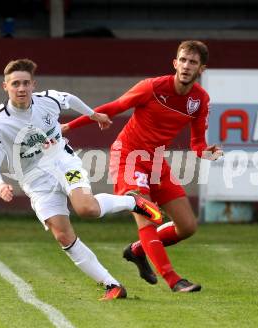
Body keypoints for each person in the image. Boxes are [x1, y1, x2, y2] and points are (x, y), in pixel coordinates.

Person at [0, 58, 162, 301]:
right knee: (63, 235)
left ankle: (133, 203)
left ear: (33, 84)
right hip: (34, 180)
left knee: (86, 208)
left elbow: (69, 98)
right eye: (15, 84)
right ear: (6, 87)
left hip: (62, 161)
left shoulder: (47, 100)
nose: (21, 88)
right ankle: (112, 285)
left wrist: (94, 114)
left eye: (26, 83)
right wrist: (0, 184)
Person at [63, 40, 223, 293]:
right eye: (182, 60)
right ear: (175, 63)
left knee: (188, 227)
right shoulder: (152, 86)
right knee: (149, 218)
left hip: (157, 161)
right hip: (129, 155)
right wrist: (70, 126)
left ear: (201, 69)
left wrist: (207, 152)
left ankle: (137, 250)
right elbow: (114, 107)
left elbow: (197, 144)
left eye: (192, 62)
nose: (186, 66)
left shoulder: (200, 100)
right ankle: (174, 280)